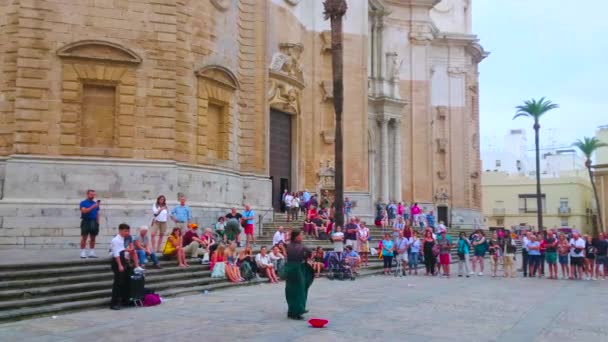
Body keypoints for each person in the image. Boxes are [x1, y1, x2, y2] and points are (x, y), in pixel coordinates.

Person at [284, 229, 313, 320]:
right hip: (297, 269)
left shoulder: (288, 246)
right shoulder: (302, 247)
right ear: (296, 237)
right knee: (299, 291)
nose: (302, 237)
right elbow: (309, 254)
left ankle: (291, 311)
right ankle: (297, 312)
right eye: (301, 235)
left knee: (290, 290)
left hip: (289, 268)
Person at [110, 223, 131, 310]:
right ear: (121, 230)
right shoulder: (116, 240)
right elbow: (116, 254)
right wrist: (120, 265)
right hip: (117, 262)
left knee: (122, 282)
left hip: (122, 260)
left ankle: (121, 300)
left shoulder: (122, 239)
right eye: (126, 231)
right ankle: (114, 302)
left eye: (128, 231)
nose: (127, 233)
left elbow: (122, 250)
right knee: (117, 283)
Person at [79, 189, 100, 259]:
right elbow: (84, 211)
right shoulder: (83, 203)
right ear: (87, 194)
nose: (93, 196)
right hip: (86, 221)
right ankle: (83, 252)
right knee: (84, 237)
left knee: (93, 238)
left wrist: (98, 222)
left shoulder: (95, 203)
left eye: (94, 194)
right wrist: (93, 206)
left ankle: (92, 252)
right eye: (91, 194)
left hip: (94, 222)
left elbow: (97, 213)